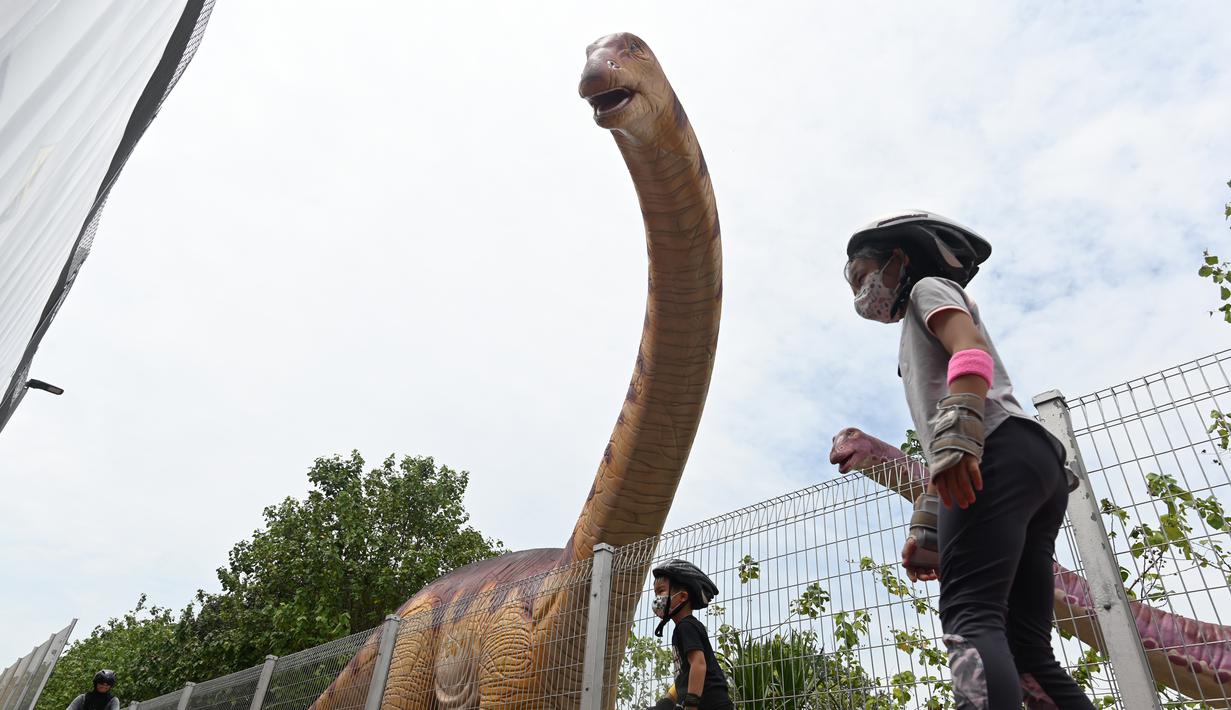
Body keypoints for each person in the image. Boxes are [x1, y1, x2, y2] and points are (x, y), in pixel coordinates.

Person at [843, 211, 1092, 709]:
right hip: (1031, 462)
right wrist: (930, 522)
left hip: (993, 444)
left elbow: (969, 351)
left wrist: (960, 434)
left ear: (900, 256)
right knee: (1028, 651)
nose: (860, 291)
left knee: (971, 615)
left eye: (862, 274)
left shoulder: (926, 289)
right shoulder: (913, 329)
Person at [649, 560, 732, 710]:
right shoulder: (684, 627)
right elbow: (685, 673)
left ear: (682, 597)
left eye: (661, 591)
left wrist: (691, 705)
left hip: (711, 704)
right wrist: (667, 701)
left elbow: (698, 665)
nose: (656, 599)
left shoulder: (686, 626)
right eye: (655, 593)